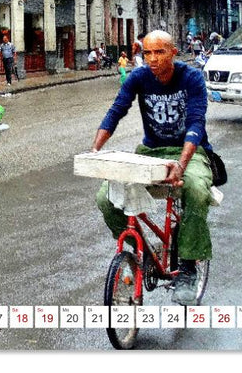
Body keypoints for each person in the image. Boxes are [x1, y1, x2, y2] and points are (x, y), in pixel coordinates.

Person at [91, 30, 214, 306]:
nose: (153, 59)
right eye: (147, 53)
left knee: (194, 189)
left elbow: (197, 122)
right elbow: (116, 111)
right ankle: (142, 253)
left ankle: (188, 268)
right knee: (106, 198)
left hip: (189, 153)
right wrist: (95, 151)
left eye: (160, 52)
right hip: (151, 151)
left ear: (173, 52)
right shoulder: (138, 77)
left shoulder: (191, 77)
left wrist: (182, 164)